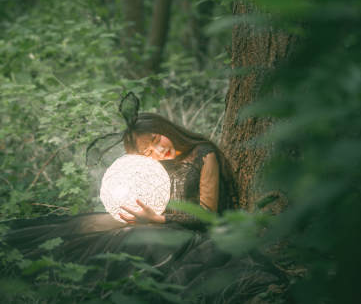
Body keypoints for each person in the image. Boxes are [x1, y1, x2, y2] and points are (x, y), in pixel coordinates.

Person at [1, 93, 288, 302]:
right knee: (87, 225)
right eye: (147, 153)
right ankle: (18, 250)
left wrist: (159, 218)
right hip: (152, 219)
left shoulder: (203, 154)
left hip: (185, 228)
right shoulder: (152, 167)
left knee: (128, 240)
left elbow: (207, 213)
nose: (157, 152)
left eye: (155, 141)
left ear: (165, 129)